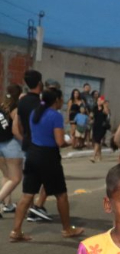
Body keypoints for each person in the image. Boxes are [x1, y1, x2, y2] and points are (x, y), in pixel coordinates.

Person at [9, 88, 84, 241]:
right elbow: (59, 141)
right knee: (61, 195)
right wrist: (69, 142)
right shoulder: (55, 115)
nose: (63, 101)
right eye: (61, 98)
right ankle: (67, 229)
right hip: (48, 158)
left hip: (32, 155)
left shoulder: (34, 113)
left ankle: (16, 231)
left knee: (27, 195)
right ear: (56, 100)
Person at [13, 70, 51, 222]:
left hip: (29, 145)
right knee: (49, 177)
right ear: (39, 83)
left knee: (31, 182)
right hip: (43, 145)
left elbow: (19, 125)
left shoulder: (22, 101)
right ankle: (37, 207)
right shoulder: (40, 103)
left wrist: (25, 139)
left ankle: (26, 218)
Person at [0, 83, 23, 217]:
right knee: (15, 178)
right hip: (10, 145)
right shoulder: (15, 109)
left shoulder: (1, 107)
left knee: (6, 176)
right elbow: (16, 130)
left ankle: (7, 204)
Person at [90, 96, 110, 163]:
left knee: (97, 140)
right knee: (96, 141)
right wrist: (91, 117)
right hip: (95, 126)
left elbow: (107, 113)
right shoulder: (95, 108)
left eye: (100, 100)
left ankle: (93, 156)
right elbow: (91, 115)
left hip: (102, 127)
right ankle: (100, 155)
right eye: (98, 100)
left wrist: (104, 105)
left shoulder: (104, 108)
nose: (99, 101)